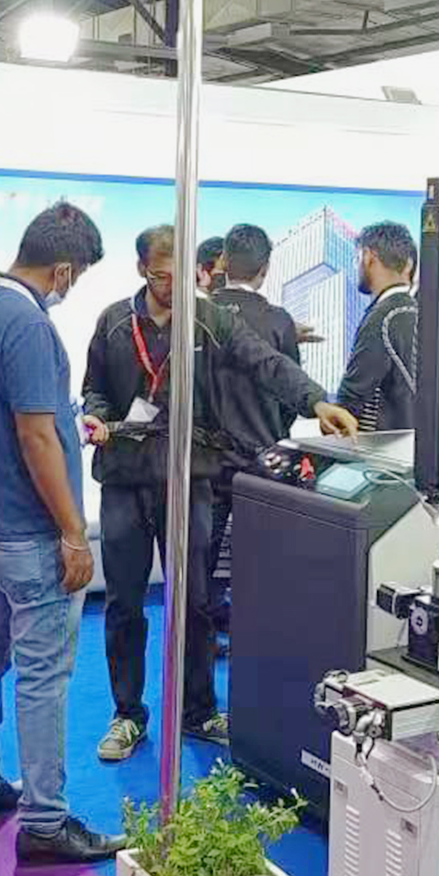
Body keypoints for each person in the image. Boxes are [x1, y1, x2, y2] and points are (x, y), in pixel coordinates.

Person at [84, 224, 356, 764]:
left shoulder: (209, 319)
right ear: (142, 270)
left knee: (196, 602)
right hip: (125, 478)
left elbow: (265, 361)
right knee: (125, 603)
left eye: (184, 275)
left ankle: (199, 709)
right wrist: (96, 416)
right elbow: (95, 387)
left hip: (190, 477)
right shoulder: (114, 322)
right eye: (163, 277)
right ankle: (128, 713)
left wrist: (316, 401)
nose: (175, 287)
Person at [0, 202, 126, 862]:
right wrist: (73, 532)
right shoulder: (28, 325)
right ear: (62, 269)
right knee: (43, 678)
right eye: (77, 276)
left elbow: (26, 426)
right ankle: (46, 821)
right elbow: (33, 436)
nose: (72, 287)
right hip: (29, 532)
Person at [207, 223, 303, 638]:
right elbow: (291, 392)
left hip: (205, 463)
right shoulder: (279, 322)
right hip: (263, 462)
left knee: (201, 561)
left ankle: (199, 645)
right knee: (261, 562)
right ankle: (255, 641)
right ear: (265, 269)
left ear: (223, 261)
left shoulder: (197, 315)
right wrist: (273, 431)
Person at [337, 221, 418, 432]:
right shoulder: (425, 314)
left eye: (357, 259)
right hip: (416, 443)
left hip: (382, 447)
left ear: (368, 257)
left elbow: (349, 403)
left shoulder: (382, 317)